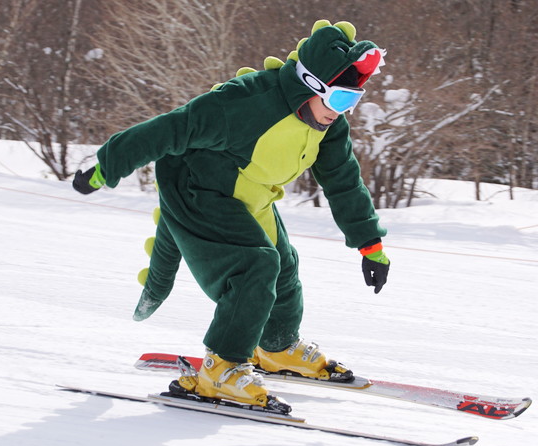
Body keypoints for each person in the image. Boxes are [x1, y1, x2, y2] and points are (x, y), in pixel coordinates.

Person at [72, 20, 390, 413]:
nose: (342, 112)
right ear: (310, 84)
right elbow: (173, 128)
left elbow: (343, 182)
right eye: (340, 100)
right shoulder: (246, 104)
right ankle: (221, 366)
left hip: (251, 196)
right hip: (199, 191)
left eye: (352, 102)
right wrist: (106, 165)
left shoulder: (328, 125)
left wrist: (370, 245)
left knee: (284, 268)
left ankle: (276, 347)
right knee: (255, 267)